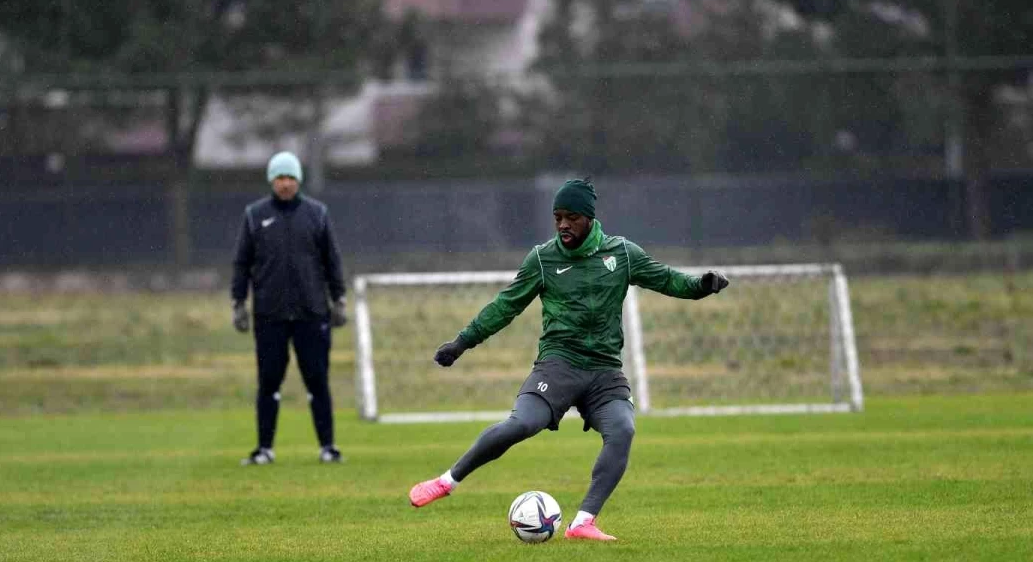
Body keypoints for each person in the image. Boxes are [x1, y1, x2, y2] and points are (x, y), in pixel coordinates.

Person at [408, 177, 729, 540]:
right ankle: (446, 481)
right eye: (557, 216)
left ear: (589, 218)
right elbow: (505, 306)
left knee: (622, 430)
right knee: (520, 425)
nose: (563, 224)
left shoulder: (621, 254)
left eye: (571, 217)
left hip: (605, 371)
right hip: (558, 365)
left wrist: (702, 285)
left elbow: (669, 280)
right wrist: (461, 342)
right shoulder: (543, 259)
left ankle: (582, 523)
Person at [231, 151, 347, 465]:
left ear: (299, 180)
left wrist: (339, 298)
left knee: (318, 382)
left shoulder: (317, 214)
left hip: (312, 313)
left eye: (291, 178)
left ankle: (328, 447)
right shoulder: (255, 215)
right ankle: (264, 449)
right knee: (268, 383)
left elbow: (332, 260)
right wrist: (238, 302)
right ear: (272, 180)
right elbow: (242, 263)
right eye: (280, 178)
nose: (285, 184)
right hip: (270, 315)